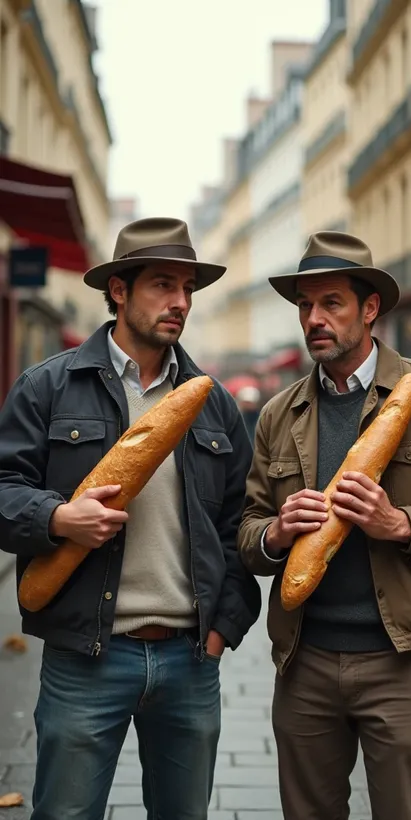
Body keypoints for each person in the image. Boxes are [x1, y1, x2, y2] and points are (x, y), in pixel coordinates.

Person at [0, 217, 261, 820]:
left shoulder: (211, 401)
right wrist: (59, 519)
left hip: (191, 660)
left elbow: (240, 521)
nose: (180, 303)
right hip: (85, 659)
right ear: (119, 289)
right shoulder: (50, 387)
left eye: (189, 290)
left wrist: (224, 627)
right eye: (163, 285)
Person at [238, 230, 411, 820]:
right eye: (304, 306)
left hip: (404, 663)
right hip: (305, 663)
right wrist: (275, 534)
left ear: (370, 309)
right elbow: (246, 531)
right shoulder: (277, 413)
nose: (313, 319)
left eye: (331, 303)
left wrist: (401, 524)